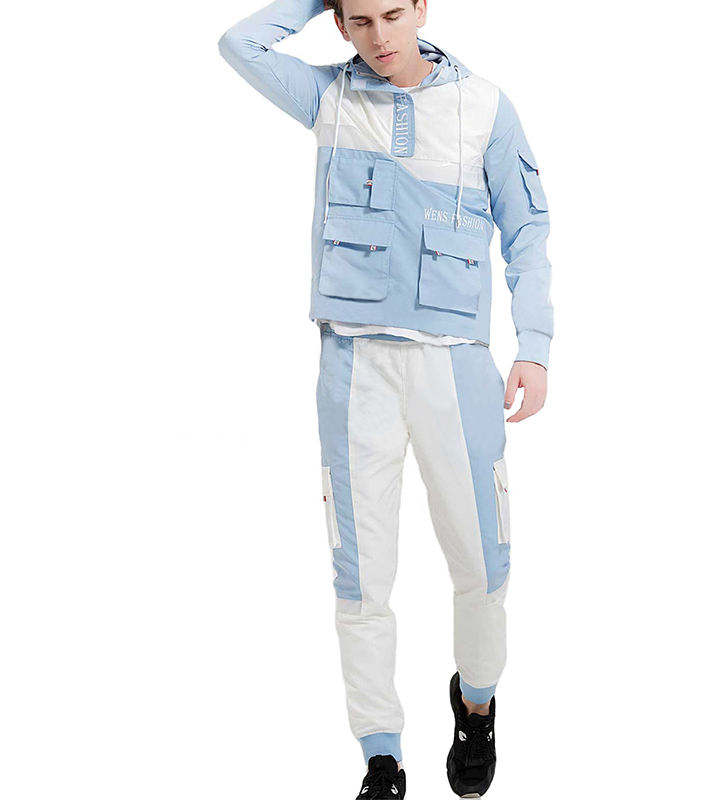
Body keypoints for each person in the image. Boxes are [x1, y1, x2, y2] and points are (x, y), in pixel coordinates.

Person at [218, 0, 553, 795]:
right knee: (360, 573)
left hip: (454, 366)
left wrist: (534, 346)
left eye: (394, 14)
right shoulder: (329, 99)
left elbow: (529, 233)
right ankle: (381, 755)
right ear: (338, 23)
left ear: (422, 6)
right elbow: (239, 43)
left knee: (482, 561)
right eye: (359, 19)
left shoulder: (485, 107)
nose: (380, 37)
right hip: (354, 362)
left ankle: (476, 704)